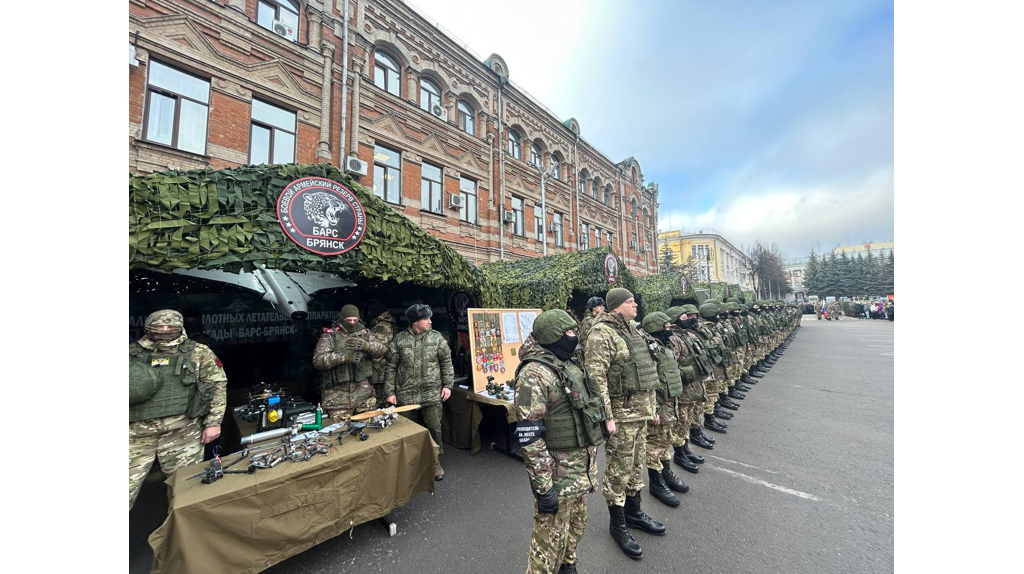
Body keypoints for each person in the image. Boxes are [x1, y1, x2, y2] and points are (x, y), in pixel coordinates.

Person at [513, 310, 607, 574]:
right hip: (557, 476)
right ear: (554, 337)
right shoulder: (534, 374)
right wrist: (544, 489)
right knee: (547, 543)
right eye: (568, 332)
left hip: (580, 472)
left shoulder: (567, 363)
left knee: (576, 526)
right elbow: (530, 437)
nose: (574, 337)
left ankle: (569, 565)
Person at [585, 288, 664, 560]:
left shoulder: (635, 330)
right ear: (617, 306)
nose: (635, 304)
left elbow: (646, 369)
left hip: (640, 413)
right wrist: (607, 416)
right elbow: (596, 380)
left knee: (635, 464)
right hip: (620, 415)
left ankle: (634, 512)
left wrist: (652, 408)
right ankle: (617, 524)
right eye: (630, 301)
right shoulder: (601, 334)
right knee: (618, 470)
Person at [129, 309, 227, 511]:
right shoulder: (131, 353)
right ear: (148, 328)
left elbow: (217, 385)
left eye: (169, 327)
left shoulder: (198, 352)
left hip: (183, 433)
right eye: (158, 327)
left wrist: (213, 422)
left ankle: (184, 535)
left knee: (185, 490)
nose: (164, 330)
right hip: (135, 434)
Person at [385, 304, 455, 481]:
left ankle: (434, 462)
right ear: (415, 322)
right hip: (406, 394)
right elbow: (391, 367)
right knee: (408, 431)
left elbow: (446, 362)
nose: (430, 322)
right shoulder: (399, 340)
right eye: (426, 319)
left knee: (434, 429)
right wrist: (389, 392)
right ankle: (411, 464)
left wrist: (448, 385)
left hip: (431, 394)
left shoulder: (437, 339)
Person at [639, 312, 692, 506]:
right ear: (655, 327)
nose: (669, 330)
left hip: (670, 401)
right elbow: (647, 380)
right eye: (666, 327)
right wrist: (653, 408)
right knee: (655, 444)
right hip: (659, 404)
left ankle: (666, 474)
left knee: (666, 439)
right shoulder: (646, 348)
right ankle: (656, 483)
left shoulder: (662, 345)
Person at [313, 304, 388, 424]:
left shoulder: (366, 334)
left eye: (355, 320)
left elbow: (383, 351)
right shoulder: (330, 336)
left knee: (369, 432)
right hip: (338, 399)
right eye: (349, 320)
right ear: (342, 319)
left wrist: (367, 346)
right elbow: (318, 360)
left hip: (364, 396)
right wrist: (344, 357)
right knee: (341, 436)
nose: (352, 323)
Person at [367, 304, 398, 407]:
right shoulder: (386, 323)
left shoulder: (381, 326)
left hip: (380, 368)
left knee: (381, 397)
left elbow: (379, 349)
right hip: (383, 366)